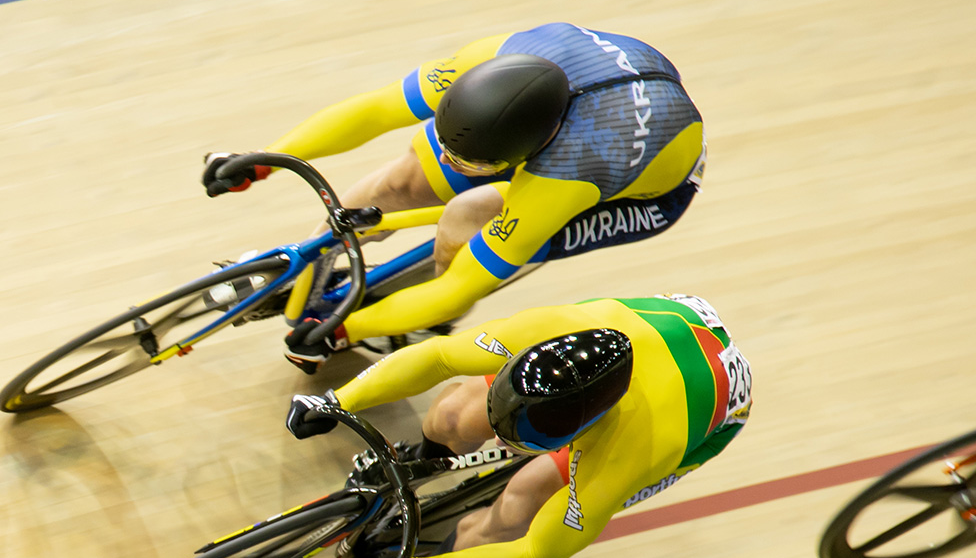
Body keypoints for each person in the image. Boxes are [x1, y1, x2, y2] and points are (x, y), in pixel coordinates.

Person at [202, 24, 706, 366]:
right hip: (575, 104)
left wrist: (345, 333)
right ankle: (307, 268)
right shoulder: (494, 58)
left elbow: (459, 286)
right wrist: (264, 157)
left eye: (473, 163)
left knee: (467, 218)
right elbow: (377, 110)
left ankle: (422, 323)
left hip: (635, 188)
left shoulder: (568, 174)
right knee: (398, 184)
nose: (452, 163)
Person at [284, 294, 750, 558]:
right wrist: (336, 400)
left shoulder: (634, 450)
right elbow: (439, 357)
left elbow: (532, 557)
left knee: (518, 507)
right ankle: (421, 462)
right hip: (665, 324)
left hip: (705, 414)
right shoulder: (548, 329)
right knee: (453, 413)